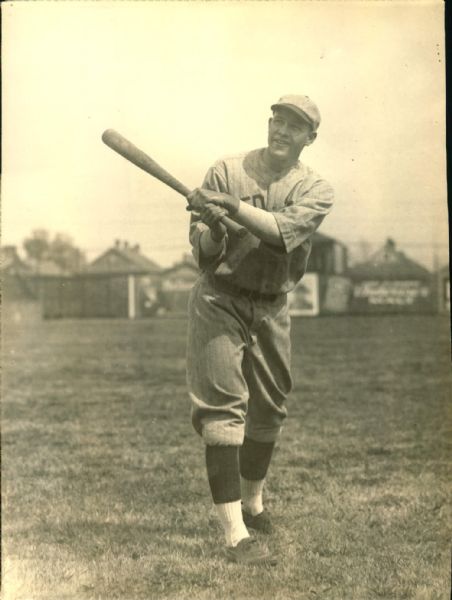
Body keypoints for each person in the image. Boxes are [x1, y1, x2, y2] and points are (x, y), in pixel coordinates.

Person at [186, 95, 334, 565]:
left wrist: (229, 207)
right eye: (278, 120)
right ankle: (234, 536)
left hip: (272, 304)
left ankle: (253, 505)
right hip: (219, 298)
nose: (282, 130)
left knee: (270, 408)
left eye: (295, 126)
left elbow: (277, 231)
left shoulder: (317, 189)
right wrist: (214, 228)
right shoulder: (227, 170)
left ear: (310, 138)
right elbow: (204, 253)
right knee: (223, 407)